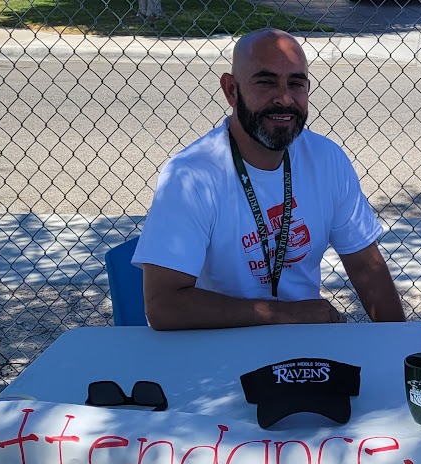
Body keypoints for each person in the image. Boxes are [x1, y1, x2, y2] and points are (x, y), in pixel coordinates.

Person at [134, 29, 405, 330]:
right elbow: (163, 306)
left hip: (304, 352)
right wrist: (285, 315)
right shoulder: (191, 175)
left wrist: (403, 348)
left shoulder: (327, 159)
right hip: (215, 351)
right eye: (266, 82)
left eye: (296, 83)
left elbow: (366, 267)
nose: (284, 98)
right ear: (231, 91)